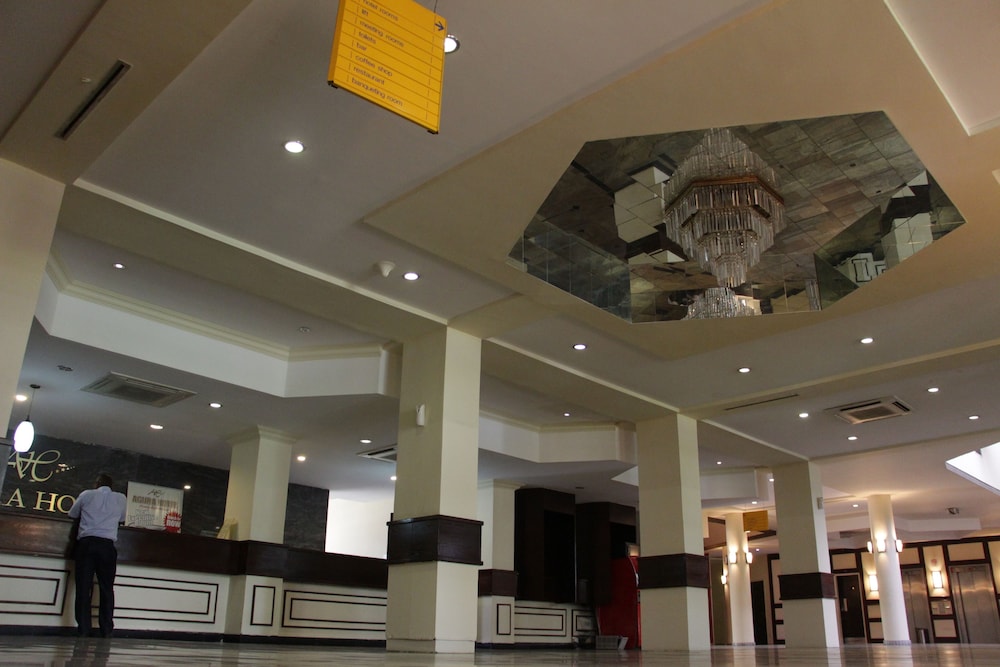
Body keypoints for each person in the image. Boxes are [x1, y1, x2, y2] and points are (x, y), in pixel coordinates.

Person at [67, 473, 127, 638]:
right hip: (107, 546)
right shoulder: (121, 498)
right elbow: (122, 518)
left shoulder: (87, 495)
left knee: (83, 588)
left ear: (97, 484)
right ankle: (106, 629)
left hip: (87, 545)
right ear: (111, 485)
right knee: (107, 588)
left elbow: (72, 513)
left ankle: (84, 628)